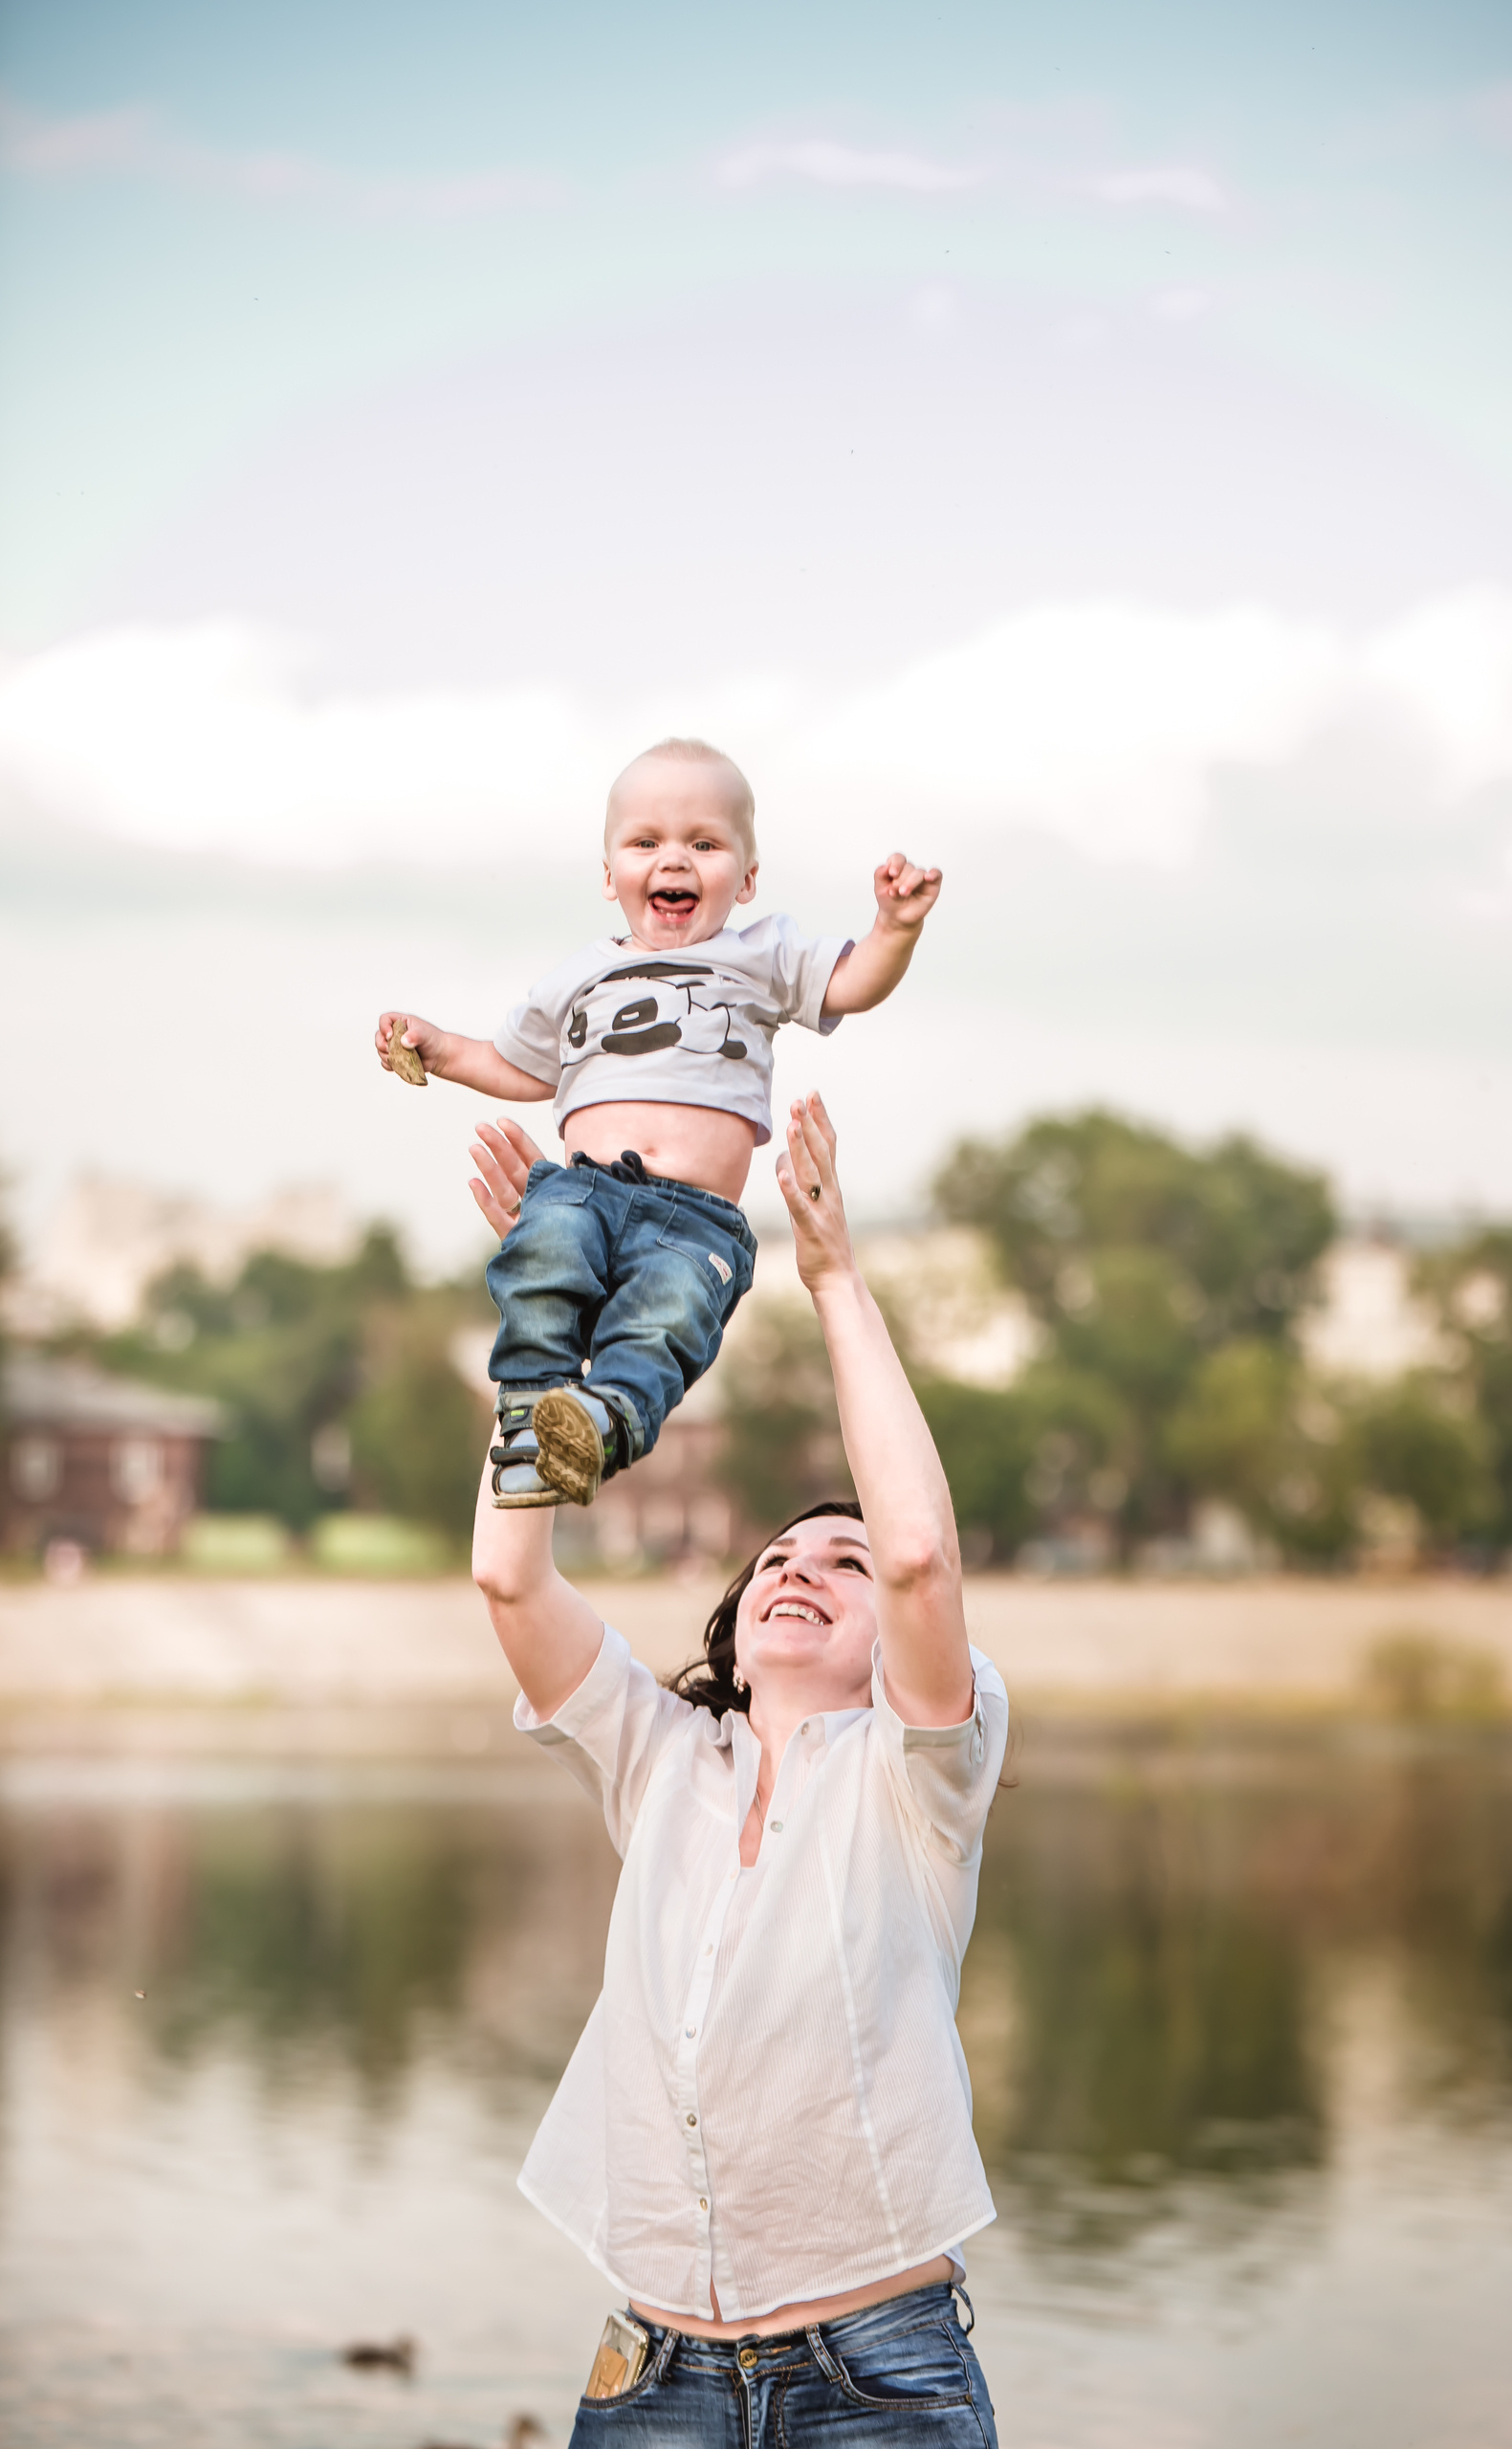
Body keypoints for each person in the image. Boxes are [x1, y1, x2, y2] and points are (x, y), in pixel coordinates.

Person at [467, 1090, 1005, 2446]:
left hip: (873, 2378)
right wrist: (553, 1331)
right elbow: (505, 1574)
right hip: (648, 2379)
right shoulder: (661, 1761)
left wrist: (832, 1280)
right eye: (778, 1558)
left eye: (842, 1563)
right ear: (737, 1621)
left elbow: (923, 1554)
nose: (802, 1571)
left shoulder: (917, 1781)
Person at [377, 737, 941, 1511]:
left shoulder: (761, 954)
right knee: (539, 1257)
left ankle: (603, 1419)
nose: (673, 861)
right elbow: (522, 1067)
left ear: (745, 878)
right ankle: (530, 1413)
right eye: (646, 842)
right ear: (610, 875)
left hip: (695, 1222)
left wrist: (894, 929)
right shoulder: (578, 975)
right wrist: (441, 1050)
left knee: (666, 1323)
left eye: (702, 844)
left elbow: (851, 983)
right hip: (583, 1190)